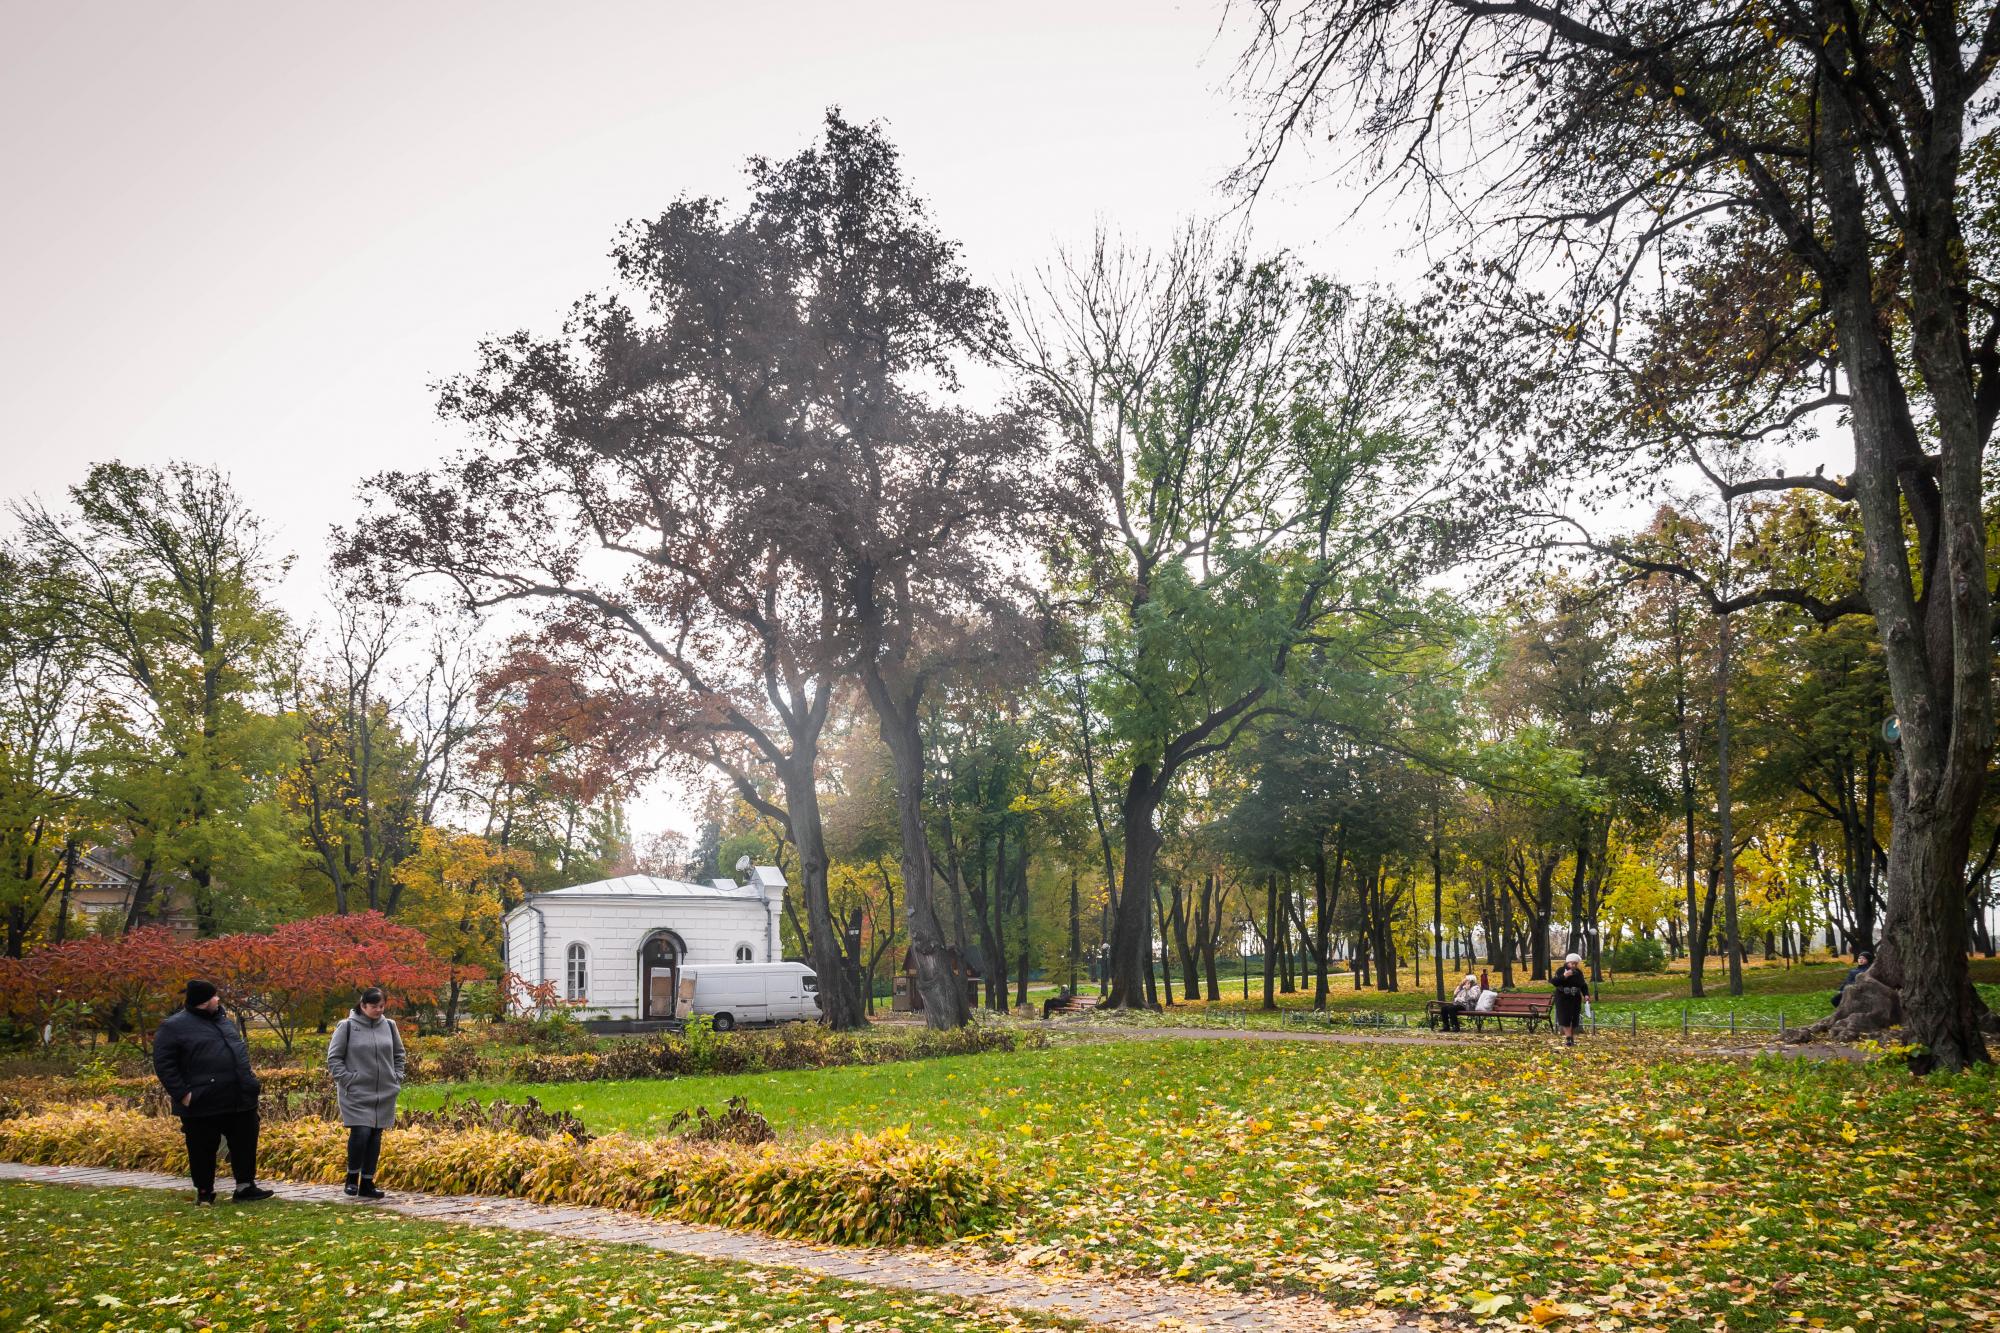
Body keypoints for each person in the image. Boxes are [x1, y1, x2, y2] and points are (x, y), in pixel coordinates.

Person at [152, 979, 273, 1206]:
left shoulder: (223, 1021)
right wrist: (184, 1095)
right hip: (202, 1102)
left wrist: (250, 1082)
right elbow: (164, 1065)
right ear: (203, 1001)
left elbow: (238, 1055)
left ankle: (245, 1186)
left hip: (239, 1097)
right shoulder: (174, 1026)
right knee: (202, 1148)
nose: (218, 999)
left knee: (245, 1142)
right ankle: (205, 1192)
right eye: (214, 996)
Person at [326, 986, 406, 1201]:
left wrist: (396, 1076)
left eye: (381, 1006)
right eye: (374, 1006)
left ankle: (368, 1183)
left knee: (375, 1136)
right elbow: (334, 1058)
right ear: (362, 1005)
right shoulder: (347, 1027)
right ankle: (352, 1178)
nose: (379, 1010)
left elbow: (399, 1054)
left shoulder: (390, 1026)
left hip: (384, 1092)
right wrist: (349, 1080)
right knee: (361, 1133)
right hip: (357, 1092)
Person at [1551, 952, 1591, 1047]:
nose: (1574, 965)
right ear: (1567, 962)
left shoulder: (1578, 972)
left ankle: (1571, 1037)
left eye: (1576, 964)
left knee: (1574, 1018)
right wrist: (1565, 976)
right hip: (1562, 997)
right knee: (1565, 1018)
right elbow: (1554, 982)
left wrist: (1586, 994)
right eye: (1572, 963)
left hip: (1575, 997)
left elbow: (1583, 985)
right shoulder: (1561, 970)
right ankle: (1568, 1039)